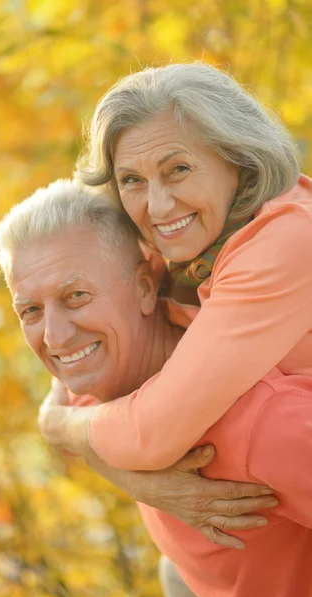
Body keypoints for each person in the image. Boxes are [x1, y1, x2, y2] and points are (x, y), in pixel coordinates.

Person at [0, 181, 312, 597]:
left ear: (145, 287)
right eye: (30, 310)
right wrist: (143, 481)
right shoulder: (93, 373)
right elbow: (67, 424)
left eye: (76, 296)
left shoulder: (263, 419)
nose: (54, 337)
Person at [35, 62, 312, 474]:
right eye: (132, 180)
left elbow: (153, 435)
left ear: (237, 157)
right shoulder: (186, 253)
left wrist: (60, 427)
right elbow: (83, 358)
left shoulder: (285, 242)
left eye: (178, 170)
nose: (158, 206)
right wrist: (137, 480)